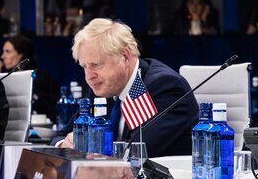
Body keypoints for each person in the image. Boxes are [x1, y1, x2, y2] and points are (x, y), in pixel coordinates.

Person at [56, 18, 198, 157]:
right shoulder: (102, 88)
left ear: (124, 56)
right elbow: (60, 136)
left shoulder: (165, 87)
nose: (89, 77)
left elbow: (135, 153)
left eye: (95, 65)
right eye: (84, 67)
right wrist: (64, 144)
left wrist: (90, 147)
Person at [2, 34, 60, 121]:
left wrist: (34, 98)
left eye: (7, 51)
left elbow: (55, 113)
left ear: (20, 54)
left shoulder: (42, 78)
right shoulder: (5, 78)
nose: (2, 56)